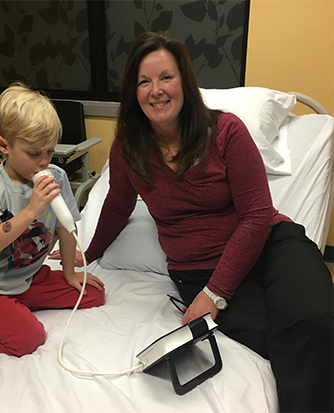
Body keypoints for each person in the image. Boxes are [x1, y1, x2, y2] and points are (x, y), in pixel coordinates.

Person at [52, 32, 334, 412]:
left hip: (270, 243)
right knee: (283, 336)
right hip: (197, 269)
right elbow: (118, 205)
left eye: (166, 77)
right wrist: (89, 251)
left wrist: (214, 295)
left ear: (184, 80)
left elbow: (255, 216)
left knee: (314, 318)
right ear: (133, 92)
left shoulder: (227, 132)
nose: (156, 90)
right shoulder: (128, 147)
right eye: (144, 81)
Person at [0, 83, 105, 357]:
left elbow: (66, 227)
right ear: (4, 145)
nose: (42, 162)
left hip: (28, 277)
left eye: (49, 152)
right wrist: (31, 210)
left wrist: (70, 273)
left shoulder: (57, 176)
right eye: (33, 154)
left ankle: (16, 305)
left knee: (94, 294)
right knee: (29, 339)